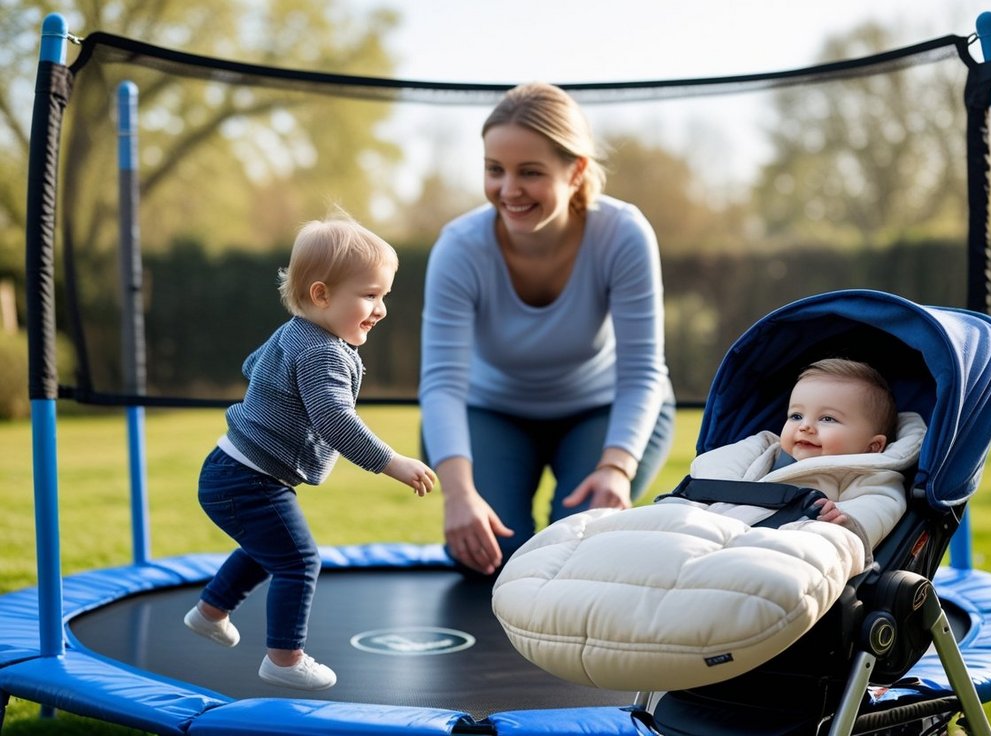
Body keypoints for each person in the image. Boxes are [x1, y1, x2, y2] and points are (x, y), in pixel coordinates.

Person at [419, 82, 676, 577]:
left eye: (530, 173)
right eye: (494, 170)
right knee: (492, 558)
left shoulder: (622, 233)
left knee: (578, 554)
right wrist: (458, 494)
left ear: (576, 170)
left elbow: (642, 369)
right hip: (490, 409)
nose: (508, 190)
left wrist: (616, 468)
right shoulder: (459, 246)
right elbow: (442, 382)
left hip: (602, 410)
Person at [184, 209, 437, 690]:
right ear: (321, 294)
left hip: (231, 470)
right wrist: (392, 462)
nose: (381, 308)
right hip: (248, 480)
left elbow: (252, 363)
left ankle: (210, 611)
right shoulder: (322, 349)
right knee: (299, 561)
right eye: (369, 296)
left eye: (384, 295)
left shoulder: (294, 333)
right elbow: (335, 420)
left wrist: (274, 392)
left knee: (269, 549)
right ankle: (284, 659)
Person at [685, 358, 926, 560]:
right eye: (796, 415)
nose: (805, 427)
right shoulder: (766, 451)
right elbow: (715, 467)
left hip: (789, 547)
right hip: (718, 529)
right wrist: (706, 492)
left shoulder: (867, 473)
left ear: (873, 446)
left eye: (828, 419)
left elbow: (880, 505)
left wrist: (848, 522)